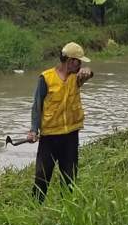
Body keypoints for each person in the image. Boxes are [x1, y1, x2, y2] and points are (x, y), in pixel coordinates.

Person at [27, 42, 94, 202]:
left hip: (70, 136)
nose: (81, 65)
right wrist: (33, 130)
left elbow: (89, 73)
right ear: (71, 61)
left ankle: (68, 209)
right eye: (79, 61)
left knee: (69, 176)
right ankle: (36, 208)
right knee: (42, 176)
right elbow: (37, 106)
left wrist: (89, 72)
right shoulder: (46, 78)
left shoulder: (77, 77)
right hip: (50, 137)